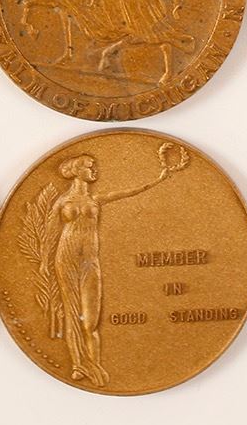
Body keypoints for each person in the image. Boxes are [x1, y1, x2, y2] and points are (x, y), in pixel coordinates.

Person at [41, 153, 176, 387]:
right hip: (66, 257)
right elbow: (51, 233)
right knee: (72, 314)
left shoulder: (96, 199)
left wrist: (158, 180)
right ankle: (78, 366)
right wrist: (44, 262)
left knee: (90, 319)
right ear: (77, 171)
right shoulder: (62, 202)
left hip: (90, 261)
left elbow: (128, 192)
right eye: (89, 166)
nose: (94, 170)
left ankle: (93, 363)